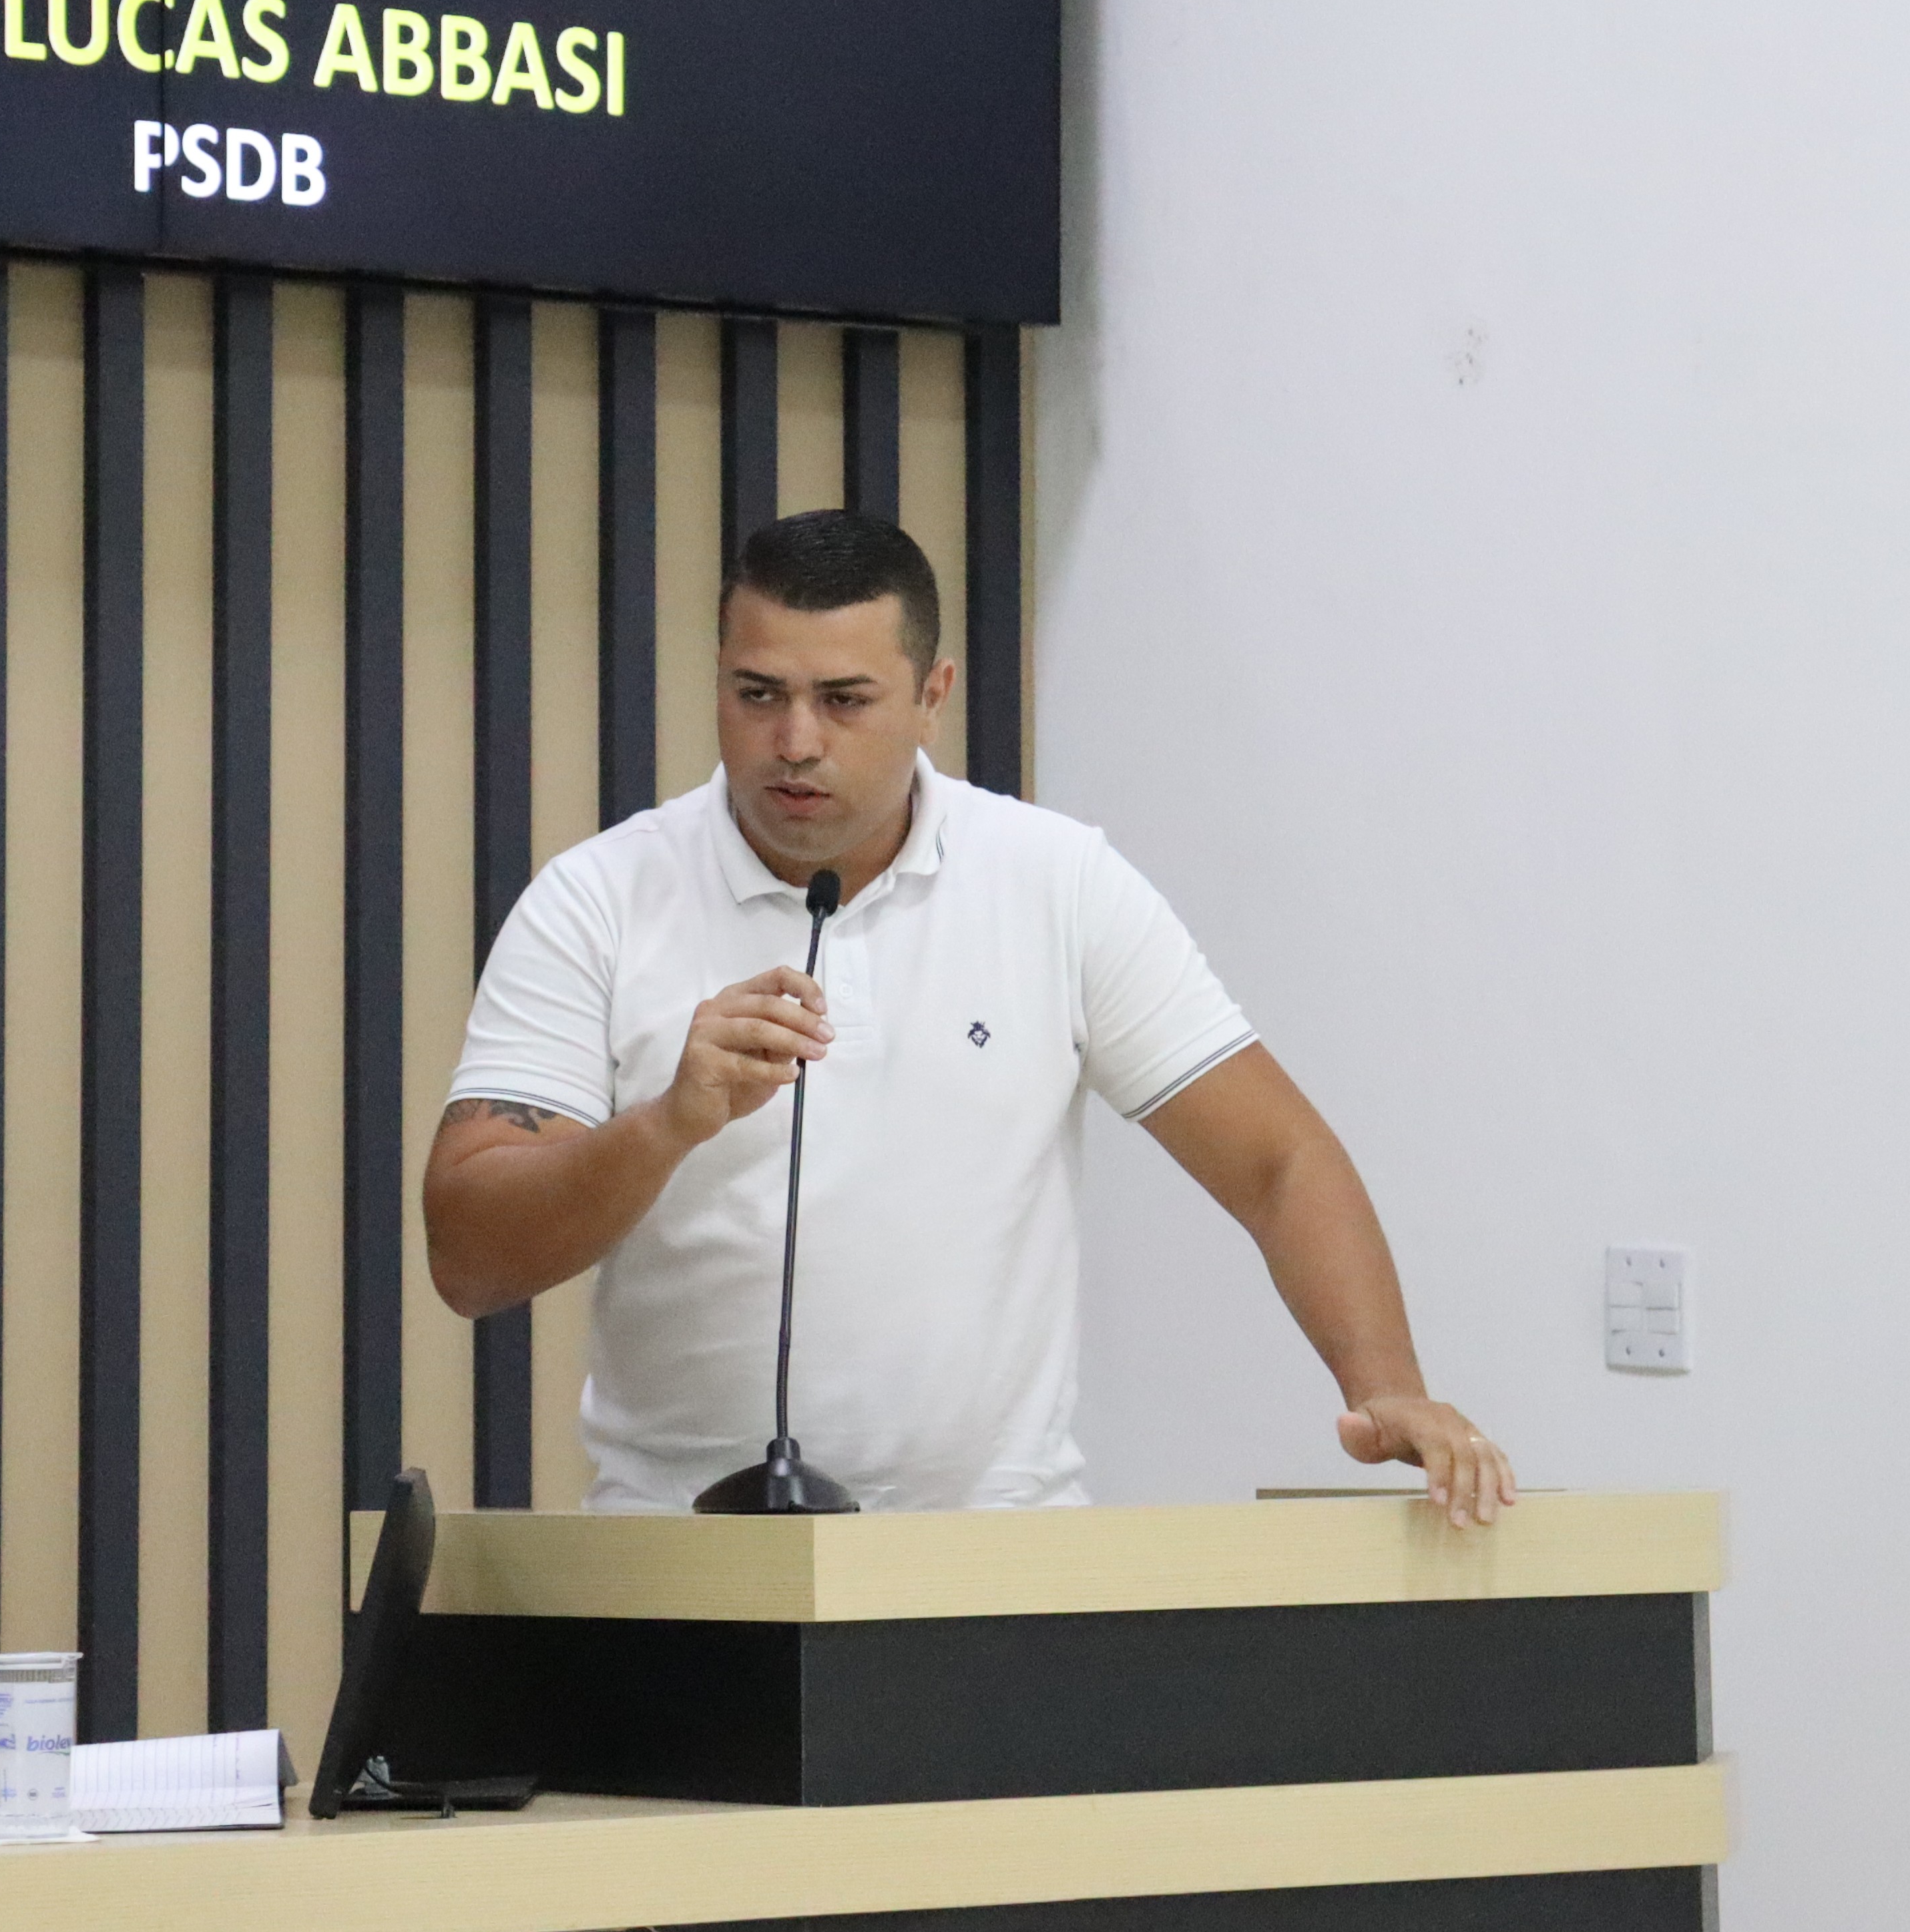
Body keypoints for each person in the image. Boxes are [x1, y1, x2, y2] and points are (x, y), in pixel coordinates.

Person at [426, 509, 1516, 1523]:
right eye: (758, 694)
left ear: (933, 694)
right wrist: (667, 1125)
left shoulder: (1056, 882)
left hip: (990, 1553)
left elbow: (1278, 1162)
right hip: (684, 1554)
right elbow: (470, 1258)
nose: (795, 741)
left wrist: (1388, 1387)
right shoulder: (600, 900)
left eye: (844, 700)